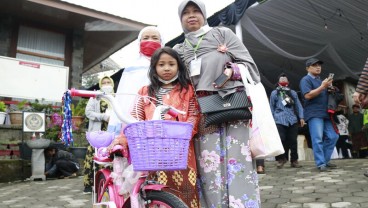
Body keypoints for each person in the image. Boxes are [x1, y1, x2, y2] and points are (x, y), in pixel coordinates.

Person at [173, 0, 261, 207]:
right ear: (180, 19)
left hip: (232, 105)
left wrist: (232, 70)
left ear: (204, 15)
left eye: (196, 11)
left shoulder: (222, 35)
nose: (191, 16)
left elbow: (251, 68)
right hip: (201, 110)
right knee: (208, 164)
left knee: (238, 160)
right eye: (186, 13)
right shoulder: (178, 49)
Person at [109, 47, 200, 207]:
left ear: (179, 66)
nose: (166, 68)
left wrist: (180, 134)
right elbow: (134, 119)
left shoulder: (188, 91)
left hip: (181, 151)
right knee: (153, 192)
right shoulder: (145, 92)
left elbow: (194, 115)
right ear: (154, 68)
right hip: (151, 153)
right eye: (161, 64)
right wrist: (123, 139)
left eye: (171, 64)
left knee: (186, 190)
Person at [107, 26, 164, 135]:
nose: (150, 41)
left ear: (161, 41)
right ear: (139, 41)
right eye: (146, 38)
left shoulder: (167, 65)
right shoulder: (131, 67)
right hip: (132, 116)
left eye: (154, 38)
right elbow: (122, 97)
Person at [299, 58, 339, 172]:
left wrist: (329, 88)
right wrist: (323, 87)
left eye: (319, 65)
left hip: (326, 113)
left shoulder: (322, 81)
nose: (318, 67)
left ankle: (325, 161)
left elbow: (323, 94)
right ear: (307, 68)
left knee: (333, 136)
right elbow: (307, 96)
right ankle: (321, 164)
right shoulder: (305, 80)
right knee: (317, 139)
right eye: (314, 65)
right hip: (314, 113)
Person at [83, 75, 115, 193]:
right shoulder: (95, 97)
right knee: (92, 156)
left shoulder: (115, 97)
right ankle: (89, 184)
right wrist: (103, 117)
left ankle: (106, 183)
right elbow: (88, 112)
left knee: (109, 157)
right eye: (104, 83)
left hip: (111, 132)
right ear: (101, 85)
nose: (107, 85)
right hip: (97, 132)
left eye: (109, 82)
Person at [270, 73, 305, 168]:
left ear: (288, 81)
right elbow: (271, 107)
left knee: (293, 140)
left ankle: (294, 160)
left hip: (292, 119)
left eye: (285, 79)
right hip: (279, 119)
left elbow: (298, 105)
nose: (283, 80)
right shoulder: (274, 93)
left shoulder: (292, 92)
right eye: (281, 79)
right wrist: (272, 120)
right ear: (278, 81)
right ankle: (281, 159)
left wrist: (301, 117)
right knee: (281, 139)